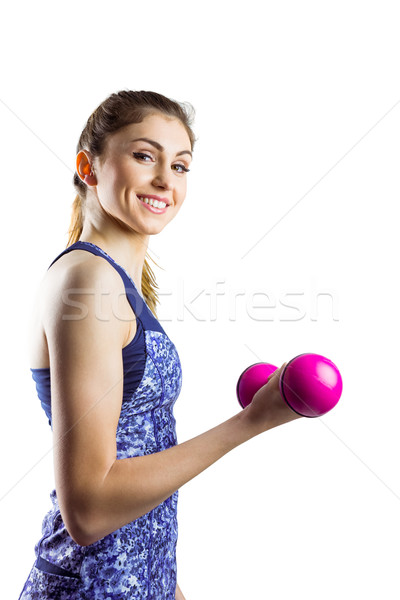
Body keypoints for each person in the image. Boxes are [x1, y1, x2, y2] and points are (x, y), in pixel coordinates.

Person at [18, 89, 301, 600]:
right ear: (88, 166)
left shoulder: (116, 284)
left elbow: (141, 454)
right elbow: (89, 509)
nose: (165, 180)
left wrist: (167, 586)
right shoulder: (88, 282)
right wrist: (250, 422)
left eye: (181, 165)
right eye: (145, 156)